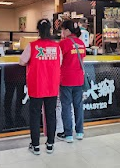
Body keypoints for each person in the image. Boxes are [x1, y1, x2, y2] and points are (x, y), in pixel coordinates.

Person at [19, 19, 61, 155]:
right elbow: (59, 62)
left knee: (35, 115)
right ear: (50, 29)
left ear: (38, 30)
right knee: (51, 114)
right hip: (52, 86)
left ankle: (35, 145)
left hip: (37, 86)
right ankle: (50, 144)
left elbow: (21, 62)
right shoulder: (56, 47)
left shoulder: (32, 46)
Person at [57, 19, 86, 143]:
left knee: (66, 106)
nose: (62, 32)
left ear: (67, 30)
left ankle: (68, 134)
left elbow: (58, 61)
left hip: (66, 79)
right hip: (79, 79)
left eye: (63, 30)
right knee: (78, 106)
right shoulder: (81, 43)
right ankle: (79, 132)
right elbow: (82, 60)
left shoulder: (63, 44)